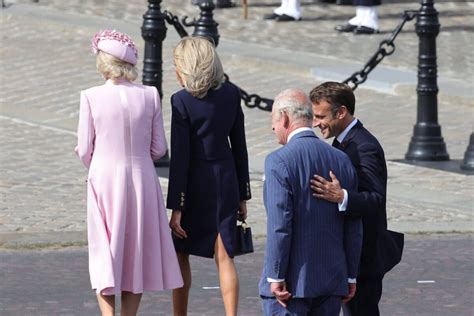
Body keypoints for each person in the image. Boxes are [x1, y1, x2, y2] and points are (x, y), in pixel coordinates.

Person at [75, 30, 183, 316]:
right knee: (134, 253)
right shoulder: (149, 95)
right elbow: (159, 148)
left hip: (104, 178)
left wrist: (99, 163)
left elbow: (85, 148)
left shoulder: (90, 96)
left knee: (105, 252)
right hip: (142, 179)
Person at [166, 37, 252, 316]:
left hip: (194, 183)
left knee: (181, 253)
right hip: (225, 178)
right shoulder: (230, 94)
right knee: (225, 255)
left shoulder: (181, 101)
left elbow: (179, 158)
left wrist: (176, 206)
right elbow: (239, 146)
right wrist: (243, 193)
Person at [259, 88, 363, 315]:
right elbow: (353, 223)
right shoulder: (341, 159)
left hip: (291, 285)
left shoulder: (278, 161)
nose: (273, 128)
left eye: (274, 120)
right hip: (331, 280)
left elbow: (280, 225)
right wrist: (350, 275)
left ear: (285, 118)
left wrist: (276, 276)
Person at [309, 82, 393, 315]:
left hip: (366, 255)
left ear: (341, 112)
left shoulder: (365, 146)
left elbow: (376, 198)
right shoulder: (342, 141)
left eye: (320, 116)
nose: (315, 123)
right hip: (351, 253)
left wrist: (341, 196)